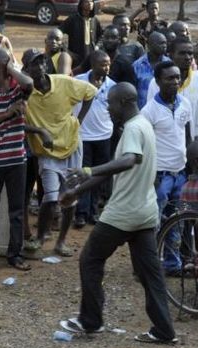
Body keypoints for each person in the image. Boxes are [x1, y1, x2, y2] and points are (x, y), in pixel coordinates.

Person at [58, 82, 178, 345]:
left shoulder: (134, 128)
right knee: (150, 273)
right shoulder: (144, 124)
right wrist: (78, 190)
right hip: (145, 211)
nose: (109, 109)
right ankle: (164, 330)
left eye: (111, 103)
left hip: (123, 214)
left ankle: (91, 321)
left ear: (123, 102)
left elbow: (128, 160)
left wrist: (88, 171)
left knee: (90, 259)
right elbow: (117, 171)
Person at [23, 49, 96, 257]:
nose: (38, 67)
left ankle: (61, 241)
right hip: (46, 152)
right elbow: (16, 124)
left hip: (72, 146)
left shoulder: (63, 82)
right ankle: (41, 236)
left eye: (41, 63)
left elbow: (90, 92)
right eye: (32, 64)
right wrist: (38, 131)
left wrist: (79, 120)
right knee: (51, 197)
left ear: (46, 65)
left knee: (71, 197)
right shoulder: (25, 93)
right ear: (26, 69)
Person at [0, 48, 33, 271]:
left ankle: (15, 254)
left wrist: (10, 66)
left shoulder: (16, 89)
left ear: (0, 64)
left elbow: (29, 84)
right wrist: (9, 114)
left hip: (16, 158)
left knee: (17, 210)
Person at [141, 61, 192, 272]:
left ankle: (172, 263)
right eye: (169, 78)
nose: (175, 81)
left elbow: (187, 136)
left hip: (180, 173)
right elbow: (145, 146)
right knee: (154, 222)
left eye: (178, 77)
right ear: (158, 81)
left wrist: (189, 167)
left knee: (176, 221)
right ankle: (147, 265)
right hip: (160, 175)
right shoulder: (149, 111)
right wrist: (151, 176)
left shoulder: (185, 104)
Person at [74, 51, 116, 228]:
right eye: (102, 64)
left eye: (108, 64)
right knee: (83, 175)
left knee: (99, 175)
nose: (106, 67)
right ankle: (81, 213)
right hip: (83, 136)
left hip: (104, 136)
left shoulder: (113, 86)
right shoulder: (78, 81)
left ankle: (93, 211)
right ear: (92, 64)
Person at [146, 38, 198, 140]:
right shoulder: (156, 82)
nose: (188, 57)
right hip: (162, 142)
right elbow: (150, 115)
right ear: (170, 55)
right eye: (182, 53)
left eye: (190, 53)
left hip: (191, 142)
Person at [60, 0, 102, 72]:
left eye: (91, 2)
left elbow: (101, 36)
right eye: (87, 1)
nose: (89, 4)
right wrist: (66, 50)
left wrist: (97, 46)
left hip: (90, 59)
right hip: (76, 59)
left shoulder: (95, 20)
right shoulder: (73, 19)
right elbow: (58, 32)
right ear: (81, 4)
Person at [133, 31, 170, 109]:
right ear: (150, 45)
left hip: (164, 111)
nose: (164, 46)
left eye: (165, 43)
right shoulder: (137, 66)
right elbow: (133, 92)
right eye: (161, 43)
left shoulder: (169, 65)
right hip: (142, 111)